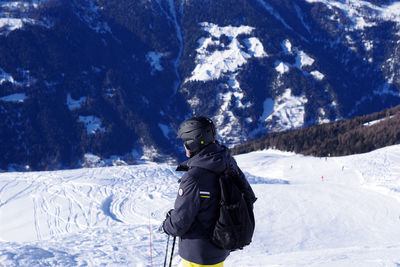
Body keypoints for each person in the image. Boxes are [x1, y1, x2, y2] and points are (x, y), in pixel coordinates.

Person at [162, 116, 256, 267]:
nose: (184, 146)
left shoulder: (193, 178)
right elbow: (248, 196)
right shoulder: (227, 162)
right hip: (220, 249)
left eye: (185, 142)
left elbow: (180, 222)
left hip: (197, 255)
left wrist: (167, 225)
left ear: (193, 142)